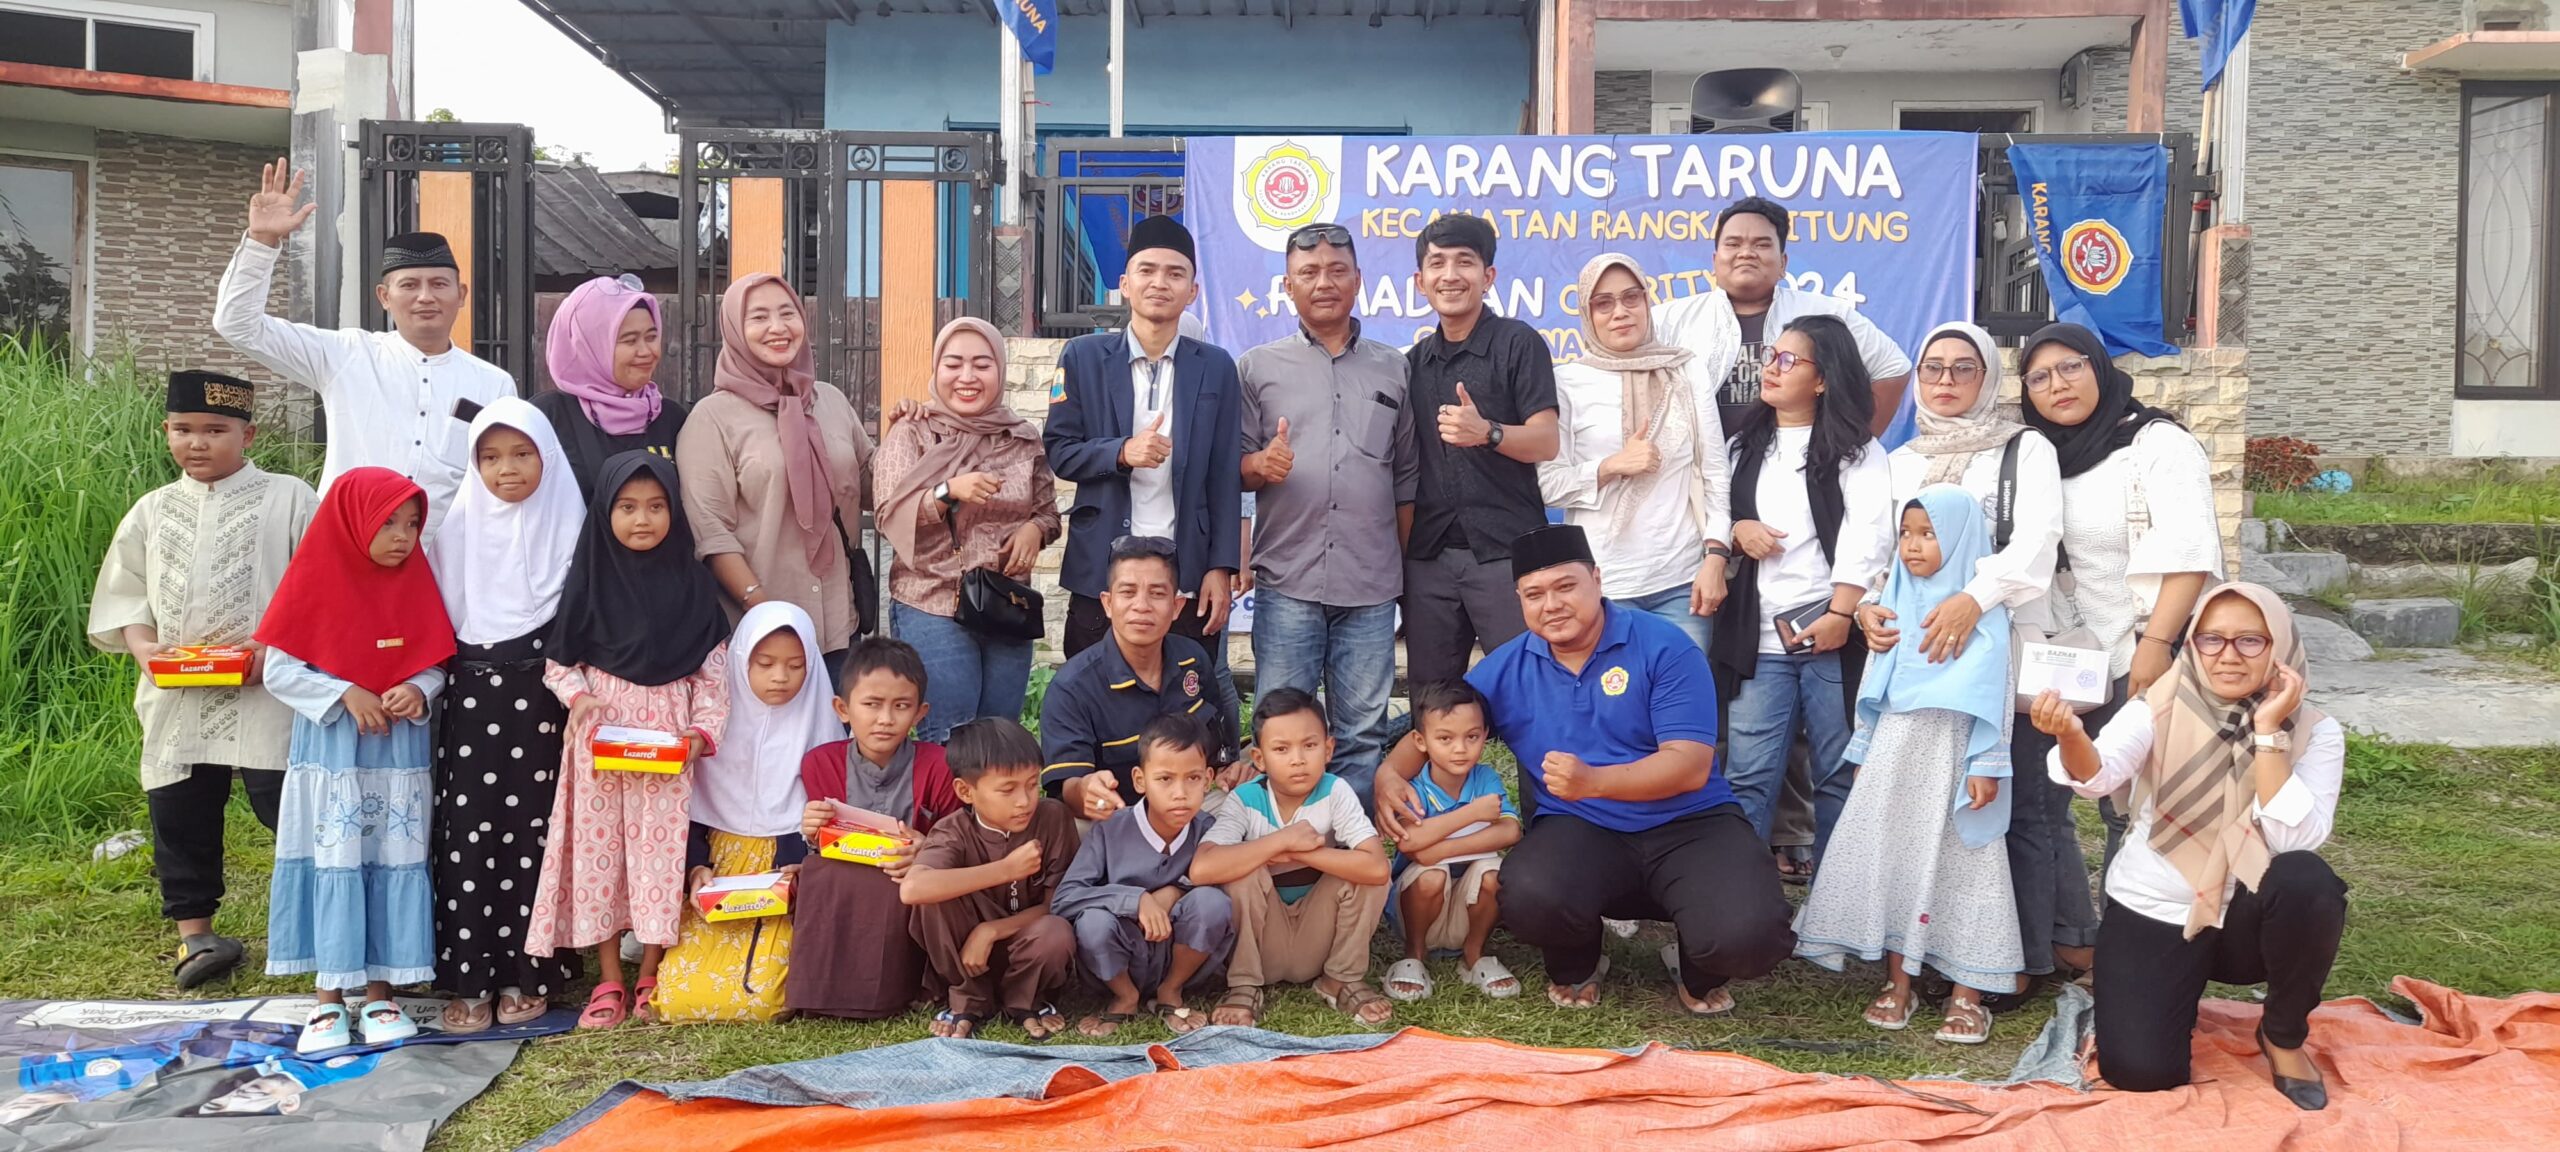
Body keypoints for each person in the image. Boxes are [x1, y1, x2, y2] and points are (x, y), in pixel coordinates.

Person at [1377, 524, 1793, 1015]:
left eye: (1565, 586)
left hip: (1690, 823)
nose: (1551, 604)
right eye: (1534, 594)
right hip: (1581, 828)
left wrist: (1594, 781)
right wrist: (1389, 774)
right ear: (1519, 600)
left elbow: (1689, 766)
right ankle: (1580, 960)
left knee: (1749, 933)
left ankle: (1696, 964)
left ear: (1597, 579)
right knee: (1530, 893)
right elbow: (1438, 726)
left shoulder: (1664, 646)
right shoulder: (1506, 667)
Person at [2029, 583, 2347, 1111]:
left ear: (2280, 647)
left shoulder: (2314, 730)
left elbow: (2297, 837)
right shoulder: (2156, 706)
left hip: (2248, 918)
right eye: (2211, 639)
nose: (2227, 655)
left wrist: (2268, 732)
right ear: (2192, 645)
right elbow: (2099, 774)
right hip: (2156, 907)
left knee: (2305, 881)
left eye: (2250, 641)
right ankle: (2170, 993)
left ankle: (2283, 1035)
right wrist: (2070, 737)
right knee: (2141, 1073)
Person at [1860, 321, 2076, 1010]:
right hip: (1918, 663)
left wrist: (1970, 601)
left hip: (2000, 648)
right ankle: (1922, 953)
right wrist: (1868, 606)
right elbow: (1876, 550)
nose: (1946, 382)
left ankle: (2015, 962)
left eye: (1964, 369)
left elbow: (2036, 544)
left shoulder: (2024, 448)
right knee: (1921, 812)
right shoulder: (1900, 461)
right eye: (1933, 369)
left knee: (2016, 810)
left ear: (1988, 379)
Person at [88, 370, 318, 989]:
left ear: (249, 433)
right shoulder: (153, 510)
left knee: (290, 805)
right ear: (166, 431)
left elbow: (318, 586)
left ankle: (325, 925)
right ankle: (197, 935)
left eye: (216, 430)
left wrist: (271, 649)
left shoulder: (290, 497)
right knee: (179, 809)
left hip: (272, 687)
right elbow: (124, 594)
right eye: (184, 430)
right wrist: (144, 649)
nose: (198, 443)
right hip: (177, 693)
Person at [1796, 486, 2021, 1045]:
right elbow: (1876, 686)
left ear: (1964, 538)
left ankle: (1969, 991)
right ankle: (1900, 981)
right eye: (1906, 534)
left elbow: (1998, 693)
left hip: (1955, 759)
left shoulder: (1985, 616)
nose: (1914, 546)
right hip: (1897, 757)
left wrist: (1987, 762)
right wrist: (1863, 752)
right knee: (1896, 855)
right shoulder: (1893, 601)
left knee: (1965, 865)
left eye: (1929, 534)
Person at [526, 452, 734, 1030]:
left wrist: (699, 733)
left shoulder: (693, 590)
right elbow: (557, 664)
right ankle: (610, 978)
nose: (642, 520)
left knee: (659, 858)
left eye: (656, 506)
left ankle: (653, 972)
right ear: (605, 513)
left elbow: (713, 677)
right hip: (600, 746)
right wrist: (579, 697)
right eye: (626, 507)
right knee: (600, 857)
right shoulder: (589, 581)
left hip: (668, 745)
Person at [252, 467, 453, 1055]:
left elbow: (435, 656)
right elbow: (281, 668)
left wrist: (419, 687)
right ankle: (328, 1001)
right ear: (351, 521)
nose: (402, 536)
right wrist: (345, 693)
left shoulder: (416, 581)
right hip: (334, 755)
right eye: (387, 522)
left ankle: (382, 993)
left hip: (395, 756)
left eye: (412, 524)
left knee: (390, 858)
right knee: (335, 859)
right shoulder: (313, 581)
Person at [214, 162, 515, 541]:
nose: (425, 296)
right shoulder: (346, 354)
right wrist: (261, 241)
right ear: (384, 297)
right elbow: (237, 325)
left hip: (442, 561)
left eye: (439, 284)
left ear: (462, 296)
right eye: (409, 285)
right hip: (346, 547)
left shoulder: (493, 384)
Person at [2021, 322, 2224, 871]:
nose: (2057, 384)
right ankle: (2074, 939)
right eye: (2039, 377)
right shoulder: (2040, 457)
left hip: (2145, 650)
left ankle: (2132, 944)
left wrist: (2156, 645)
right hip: (2073, 655)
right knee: (2049, 801)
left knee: (2137, 808)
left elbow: (2191, 553)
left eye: (2072, 367)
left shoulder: (2156, 444)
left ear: (2099, 368)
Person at [1236, 223, 1417, 796]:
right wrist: (1260, 465)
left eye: (1337, 270)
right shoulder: (1257, 367)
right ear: (1287, 287)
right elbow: (1234, 468)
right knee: (1280, 728)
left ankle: (1351, 866)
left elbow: (1407, 477)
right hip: (1288, 578)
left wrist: (1402, 572)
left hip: (1370, 585)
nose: (1324, 283)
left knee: (1362, 734)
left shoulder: (1395, 367)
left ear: (1359, 281)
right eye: (1308, 273)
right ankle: (1282, 865)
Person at [424, 398, 586, 1031]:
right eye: (489, 458)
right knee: (468, 836)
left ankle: (529, 970)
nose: (507, 470)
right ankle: (469, 972)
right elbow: (436, 624)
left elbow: (583, 625)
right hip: (470, 701)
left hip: (547, 701)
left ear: (547, 455)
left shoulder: (574, 529)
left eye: (522, 454)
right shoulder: (456, 531)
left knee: (537, 837)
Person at [1712, 314, 1894, 862]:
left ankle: (1835, 912)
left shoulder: (1856, 451)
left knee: (1838, 772)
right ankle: (1744, 902)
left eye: (1789, 360)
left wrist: (1842, 614)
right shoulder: (1744, 444)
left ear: (1823, 379)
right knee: (1747, 775)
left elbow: (1871, 535)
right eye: (1771, 356)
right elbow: (1716, 512)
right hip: (1760, 640)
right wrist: (1738, 531)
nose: (1772, 368)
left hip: (1831, 634)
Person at [1045, 216, 1243, 670]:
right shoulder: (1083, 358)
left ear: (1192, 290)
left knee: (1185, 708)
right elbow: (1059, 450)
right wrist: (1120, 452)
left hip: (1185, 570)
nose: (1160, 283)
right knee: (1095, 698)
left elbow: (1224, 475)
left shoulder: (1215, 367)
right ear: (1125, 284)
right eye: (1147, 270)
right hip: (1104, 568)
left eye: (1175, 274)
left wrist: (1221, 567)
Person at [677, 273, 873, 683]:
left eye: (788, 313)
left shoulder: (830, 401)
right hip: (762, 639)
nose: (778, 328)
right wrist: (764, 610)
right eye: (759, 317)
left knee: (832, 746)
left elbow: (869, 485)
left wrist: (911, 431)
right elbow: (711, 533)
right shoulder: (712, 418)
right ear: (734, 329)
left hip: (841, 624)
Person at [653, 602, 842, 1023]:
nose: (780, 677)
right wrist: (696, 866)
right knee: (682, 995)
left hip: (784, 877)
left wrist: (799, 871)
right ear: (740, 662)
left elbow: (826, 822)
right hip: (718, 870)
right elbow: (692, 810)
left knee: (765, 996)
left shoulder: (821, 732)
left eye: (796, 665)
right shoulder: (714, 730)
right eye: (766, 663)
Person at [876, 318, 1060, 741]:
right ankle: (949, 811)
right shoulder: (913, 430)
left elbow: (1048, 512)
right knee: (950, 737)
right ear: (937, 370)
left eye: (982, 364)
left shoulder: (1021, 437)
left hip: (1004, 603)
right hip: (932, 601)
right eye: (954, 364)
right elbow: (888, 511)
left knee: (999, 738)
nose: (967, 377)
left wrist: (1035, 530)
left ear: (1000, 369)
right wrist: (946, 492)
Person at [1400, 214, 1561, 686]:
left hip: (1507, 555)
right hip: (1428, 561)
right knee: (1433, 705)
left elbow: (1546, 441)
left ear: (1488, 276)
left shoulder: (1518, 343)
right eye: (1437, 264)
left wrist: (1487, 432)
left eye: (1464, 262)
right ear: (1420, 281)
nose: (1450, 275)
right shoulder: (1411, 365)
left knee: (1530, 693)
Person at [1541, 252, 1730, 653]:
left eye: (1632, 298)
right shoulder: (1567, 382)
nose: (1620, 313)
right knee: (1611, 710)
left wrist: (1715, 556)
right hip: (1603, 587)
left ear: (1647, 301)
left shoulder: (1685, 371)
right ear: (1586, 315)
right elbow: (1548, 485)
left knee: (1680, 708)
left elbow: (1714, 471)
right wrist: (1611, 466)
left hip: (1682, 583)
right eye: (1603, 303)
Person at [1191, 689, 1393, 1028]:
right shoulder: (1246, 798)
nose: (1297, 759)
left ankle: (1341, 978)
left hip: (1319, 939)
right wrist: (1279, 841)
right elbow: (1202, 868)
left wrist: (1302, 851)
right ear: (1258, 758)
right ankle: (1243, 985)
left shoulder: (1335, 791)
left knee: (1365, 874)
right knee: (1241, 871)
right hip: (1263, 943)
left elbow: (1376, 866)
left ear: (1328, 749)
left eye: (1309, 746)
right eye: (1281, 749)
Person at [785, 637, 963, 1021]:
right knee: (816, 871)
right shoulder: (821, 763)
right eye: (871, 705)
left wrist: (926, 846)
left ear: (920, 713)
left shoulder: (938, 764)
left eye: (901, 706)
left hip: (906, 879)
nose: (885, 719)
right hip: (846, 875)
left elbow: (958, 839)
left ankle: (891, 993)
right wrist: (811, 830)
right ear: (843, 709)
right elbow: (823, 844)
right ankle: (817, 994)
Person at [1653, 195, 1913, 443]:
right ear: (1714, 261)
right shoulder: (1670, 320)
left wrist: (1853, 447)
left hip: (1795, 477)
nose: (1746, 253)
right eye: (1733, 244)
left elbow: (1892, 367)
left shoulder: (1823, 313)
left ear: (1783, 263)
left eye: (1762, 244)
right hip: (1697, 480)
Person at [1051, 713, 1235, 1038]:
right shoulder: (1109, 829)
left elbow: (1229, 879)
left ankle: (1171, 990)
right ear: (1139, 780)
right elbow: (1065, 899)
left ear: (1208, 779)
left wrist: (1177, 891)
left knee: (1212, 902)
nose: (1180, 793)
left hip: (1180, 954)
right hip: (1119, 953)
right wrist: (1133, 899)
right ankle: (1124, 996)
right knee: (1092, 922)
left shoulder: (1211, 830)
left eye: (1192, 778)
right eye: (1165, 779)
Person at [900, 717, 1080, 1041]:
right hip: (965, 957)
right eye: (1007, 789)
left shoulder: (1054, 818)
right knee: (934, 899)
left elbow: (1059, 905)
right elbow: (913, 889)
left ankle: (1026, 1000)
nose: (1024, 800)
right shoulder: (952, 830)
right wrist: (1005, 870)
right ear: (965, 791)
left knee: (1056, 931)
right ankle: (966, 1000)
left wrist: (991, 930)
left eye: (1031, 783)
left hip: (1026, 943)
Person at [1039, 536, 1238, 820]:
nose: (1141, 606)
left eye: (1157, 594)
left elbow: (1214, 752)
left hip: (1191, 808)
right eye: (1128, 592)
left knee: (1251, 811)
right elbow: (1068, 785)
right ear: (1107, 604)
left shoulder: (1193, 660)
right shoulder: (1072, 687)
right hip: (1116, 817)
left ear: (1177, 606)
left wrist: (1230, 770)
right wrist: (1086, 789)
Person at [1377, 678, 1520, 1005]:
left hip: (1467, 909)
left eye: (1472, 737)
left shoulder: (1485, 778)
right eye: (1445, 738)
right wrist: (1471, 814)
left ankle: (1474, 955)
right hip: (1417, 908)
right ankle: (1414, 955)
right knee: (1432, 874)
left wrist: (1440, 849)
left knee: (1494, 871)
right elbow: (1409, 841)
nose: (1460, 748)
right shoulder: (1415, 787)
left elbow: (1510, 831)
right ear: (1420, 740)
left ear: (1485, 735)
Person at [533, 275, 686, 497]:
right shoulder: (549, 417)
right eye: (629, 340)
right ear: (590, 346)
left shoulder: (671, 418)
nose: (646, 351)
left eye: (651, 337)